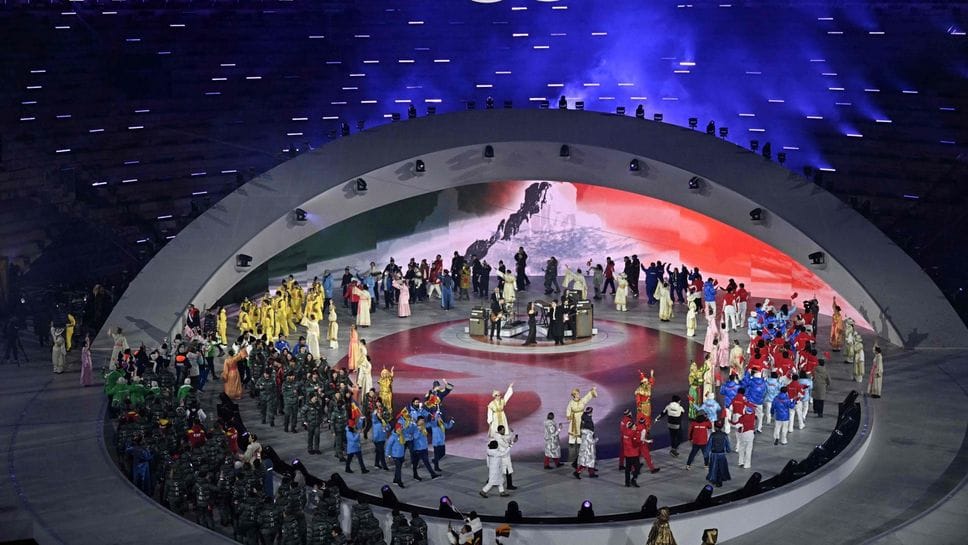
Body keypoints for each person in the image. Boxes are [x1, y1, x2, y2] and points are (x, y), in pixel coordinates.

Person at [565, 386, 597, 465]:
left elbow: (587, 397)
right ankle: (572, 441)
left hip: (581, 417)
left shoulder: (582, 401)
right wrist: (569, 416)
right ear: (574, 395)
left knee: (581, 429)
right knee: (573, 429)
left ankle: (579, 441)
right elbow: (568, 409)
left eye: (578, 393)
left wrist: (592, 391)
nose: (579, 395)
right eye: (577, 394)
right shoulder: (571, 402)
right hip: (574, 417)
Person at [411, 415, 439, 480]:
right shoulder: (415, 427)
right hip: (418, 449)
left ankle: (433, 474)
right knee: (415, 464)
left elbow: (432, 424)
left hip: (424, 447)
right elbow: (415, 437)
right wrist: (419, 430)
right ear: (418, 420)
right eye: (422, 420)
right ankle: (416, 475)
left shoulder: (423, 426)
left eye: (423, 420)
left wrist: (434, 418)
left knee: (426, 462)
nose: (423, 421)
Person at [573, 408, 598, 479]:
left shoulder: (585, 418)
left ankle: (591, 473)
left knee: (589, 459)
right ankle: (577, 472)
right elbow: (590, 441)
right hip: (588, 447)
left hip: (585, 445)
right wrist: (595, 440)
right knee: (587, 460)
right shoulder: (588, 429)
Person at [705, 421, 731, 487]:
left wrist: (706, 453)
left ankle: (714, 479)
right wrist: (728, 450)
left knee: (714, 467)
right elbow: (727, 444)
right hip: (722, 454)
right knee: (721, 467)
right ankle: (720, 480)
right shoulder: (724, 435)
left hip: (714, 454)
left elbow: (709, 445)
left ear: (715, 427)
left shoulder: (713, 435)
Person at [621, 419, 641, 487]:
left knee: (627, 469)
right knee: (637, 468)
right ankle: (633, 479)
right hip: (634, 454)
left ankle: (627, 483)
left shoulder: (625, 433)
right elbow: (636, 444)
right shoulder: (633, 434)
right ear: (632, 427)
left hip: (627, 453)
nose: (636, 427)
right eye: (635, 426)